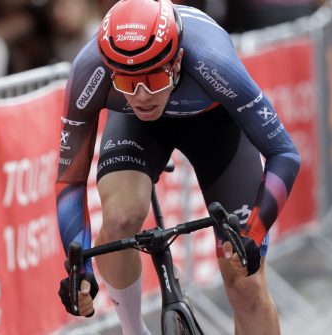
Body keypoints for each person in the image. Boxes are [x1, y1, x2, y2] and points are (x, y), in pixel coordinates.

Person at [55, 0, 301, 334]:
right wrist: (79, 270)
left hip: (215, 125)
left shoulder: (211, 60)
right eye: (128, 83)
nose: (142, 95)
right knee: (119, 218)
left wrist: (254, 233)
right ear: (112, 71)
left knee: (247, 284)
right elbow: (70, 179)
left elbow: (285, 153)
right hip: (137, 126)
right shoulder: (91, 68)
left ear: (177, 61)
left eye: (153, 78)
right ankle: (132, 329)